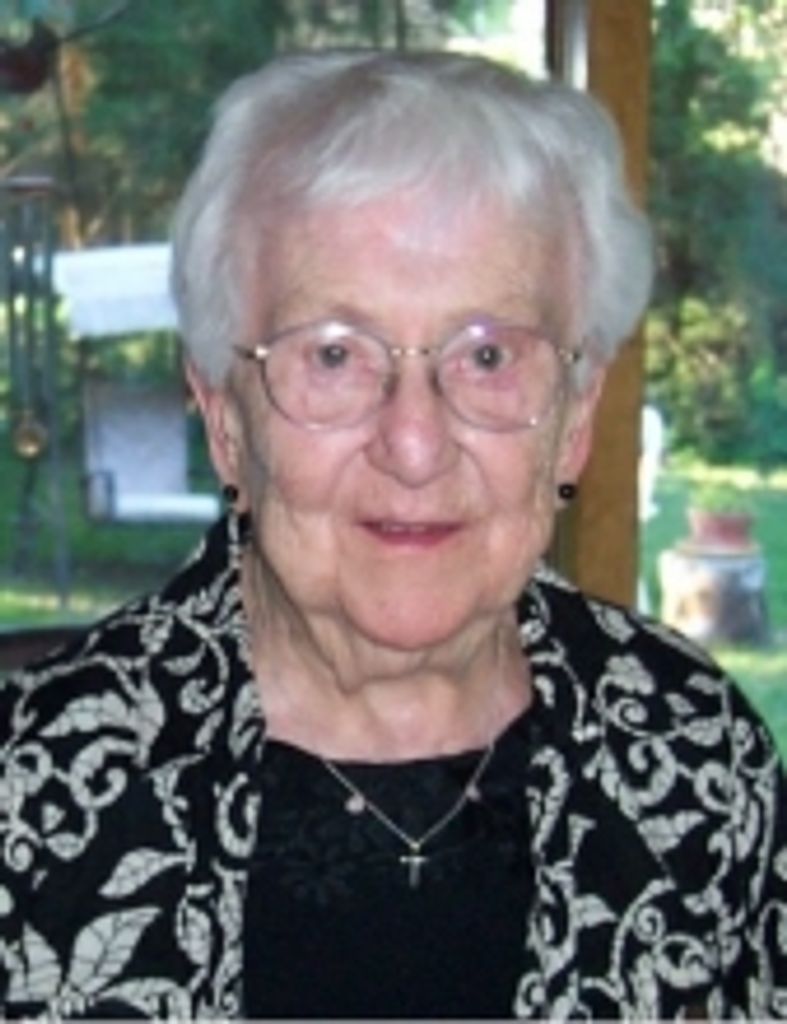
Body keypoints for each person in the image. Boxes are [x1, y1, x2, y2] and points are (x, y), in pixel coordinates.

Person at [1, 50, 785, 1021]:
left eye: (487, 355)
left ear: (574, 417)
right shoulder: (31, 799)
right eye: (334, 354)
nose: (414, 444)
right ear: (225, 418)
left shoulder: (696, 755)